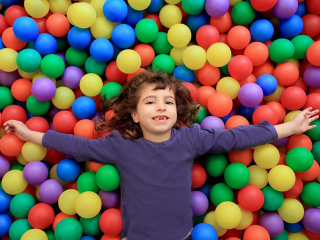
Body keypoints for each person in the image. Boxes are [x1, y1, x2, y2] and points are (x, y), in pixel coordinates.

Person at [3, 69, 319, 240]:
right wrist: (30, 134)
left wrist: (288, 128)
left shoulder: (190, 139)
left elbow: (237, 137)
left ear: (176, 111)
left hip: (180, 235)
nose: (161, 107)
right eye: (150, 102)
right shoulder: (120, 143)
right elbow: (76, 145)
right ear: (136, 115)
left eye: (167, 102)